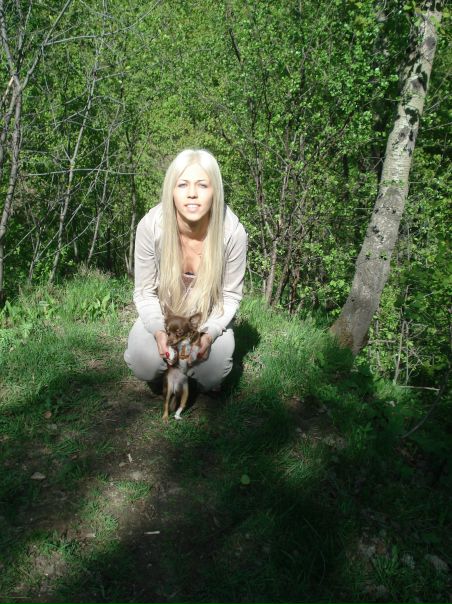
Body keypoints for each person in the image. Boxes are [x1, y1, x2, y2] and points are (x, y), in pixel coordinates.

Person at [124, 148, 247, 393]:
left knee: (212, 372)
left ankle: (191, 369)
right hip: (164, 315)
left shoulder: (233, 233)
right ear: (171, 190)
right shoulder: (150, 226)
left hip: (207, 318)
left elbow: (230, 296)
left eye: (202, 185)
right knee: (143, 363)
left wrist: (209, 334)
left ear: (215, 191)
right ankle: (164, 363)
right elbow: (145, 292)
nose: (192, 193)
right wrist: (158, 330)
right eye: (182, 185)